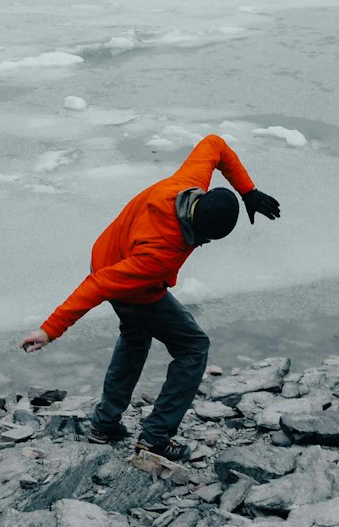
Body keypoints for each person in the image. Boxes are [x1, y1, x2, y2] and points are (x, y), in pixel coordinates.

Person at [20, 133, 281, 463]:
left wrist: (249, 192)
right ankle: (156, 438)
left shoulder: (188, 184)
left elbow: (215, 144)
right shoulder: (159, 253)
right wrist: (49, 330)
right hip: (128, 279)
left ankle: (105, 424)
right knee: (193, 346)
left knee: (135, 334)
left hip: (107, 252)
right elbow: (98, 286)